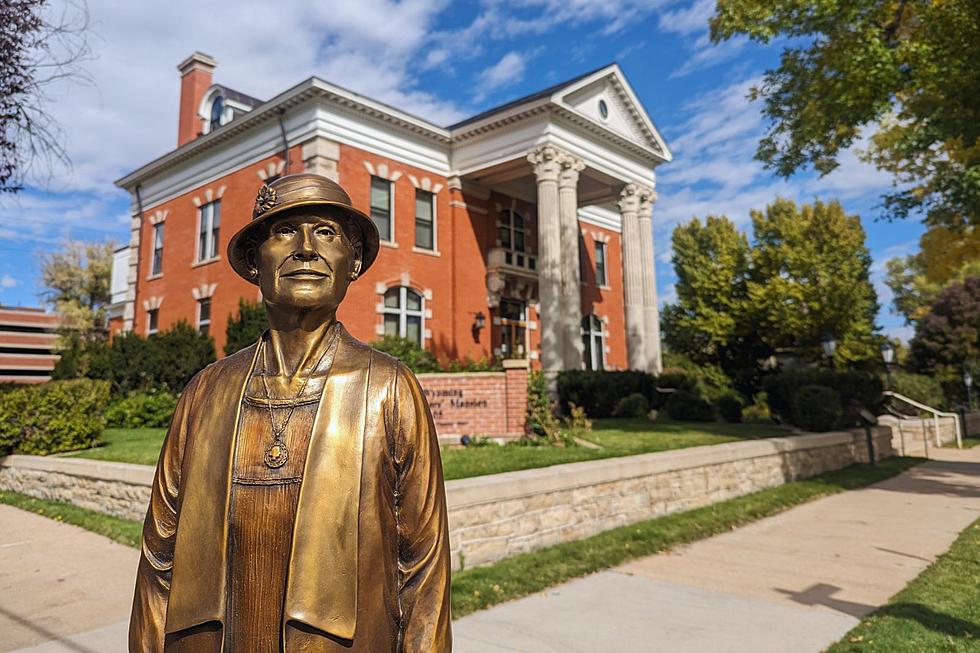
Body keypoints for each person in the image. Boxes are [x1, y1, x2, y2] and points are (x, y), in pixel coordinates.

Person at [129, 173, 452, 652]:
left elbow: (424, 568)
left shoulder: (387, 388)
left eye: (326, 233)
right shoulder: (206, 393)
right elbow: (158, 559)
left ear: (353, 262)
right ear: (256, 262)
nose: (306, 248)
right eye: (284, 232)